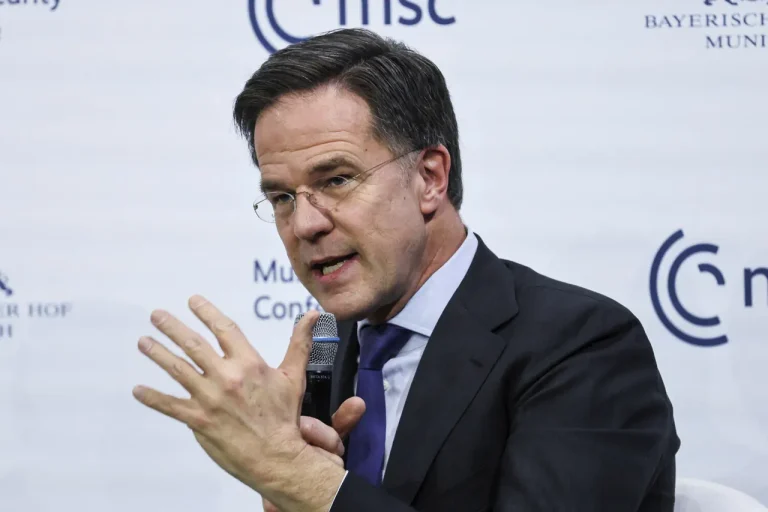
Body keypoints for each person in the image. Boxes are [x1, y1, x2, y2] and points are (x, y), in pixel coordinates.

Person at [133, 28, 680, 511]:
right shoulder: (325, 345)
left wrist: (298, 479)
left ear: (430, 178)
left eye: (337, 180)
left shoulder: (581, 344)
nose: (304, 224)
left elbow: (315, 488)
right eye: (281, 197)